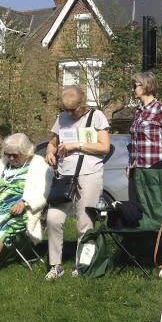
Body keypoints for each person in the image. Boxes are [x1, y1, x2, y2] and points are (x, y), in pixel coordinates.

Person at [0, 133, 53, 283]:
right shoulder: (3, 164)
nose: (11, 158)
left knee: (0, 224)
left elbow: (44, 192)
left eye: (15, 155)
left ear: (27, 152)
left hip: (23, 211)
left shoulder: (40, 165)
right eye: (8, 154)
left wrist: (24, 203)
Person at [44, 86, 110, 280]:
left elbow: (104, 147)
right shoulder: (62, 117)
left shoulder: (96, 116)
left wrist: (77, 145)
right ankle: (56, 265)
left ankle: (83, 265)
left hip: (89, 174)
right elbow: (52, 143)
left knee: (84, 222)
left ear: (82, 104)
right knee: (53, 218)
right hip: (64, 176)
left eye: (73, 109)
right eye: (67, 109)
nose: (70, 113)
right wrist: (49, 152)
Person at [127, 71, 162, 202]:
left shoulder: (159, 108)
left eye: (135, 85)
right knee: (136, 207)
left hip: (155, 167)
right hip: (137, 169)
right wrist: (131, 165)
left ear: (145, 86)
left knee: (154, 208)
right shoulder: (139, 111)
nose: (133, 89)